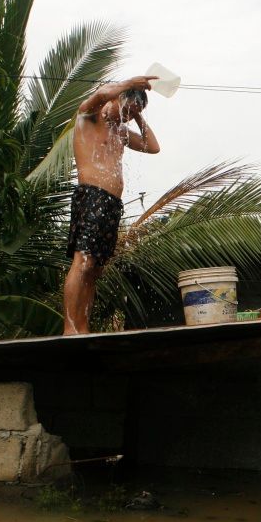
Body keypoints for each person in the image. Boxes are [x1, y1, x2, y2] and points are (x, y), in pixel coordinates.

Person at [63, 76, 160, 334]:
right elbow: (100, 95)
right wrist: (130, 84)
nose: (127, 118)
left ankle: (82, 325)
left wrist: (137, 114)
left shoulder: (121, 131)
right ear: (115, 99)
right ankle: (70, 328)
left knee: (94, 269)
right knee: (82, 262)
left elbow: (153, 147)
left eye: (132, 115)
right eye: (126, 110)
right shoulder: (90, 116)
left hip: (111, 204)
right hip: (91, 197)